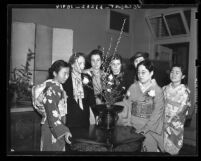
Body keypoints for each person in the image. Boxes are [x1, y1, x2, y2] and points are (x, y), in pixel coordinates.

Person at [118, 60, 165, 152]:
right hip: (133, 126)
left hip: (149, 128)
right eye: (138, 72)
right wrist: (127, 123)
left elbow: (157, 114)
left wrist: (145, 129)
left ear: (151, 73)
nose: (140, 75)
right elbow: (126, 105)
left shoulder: (158, 91)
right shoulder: (133, 87)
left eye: (143, 72)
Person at [32, 60, 72, 151]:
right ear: (54, 73)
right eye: (64, 73)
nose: (67, 76)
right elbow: (52, 112)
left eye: (68, 73)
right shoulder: (51, 89)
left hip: (55, 123)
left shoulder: (55, 85)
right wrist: (64, 131)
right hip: (52, 126)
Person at [163, 64, 191, 155]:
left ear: (183, 76)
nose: (173, 74)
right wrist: (163, 121)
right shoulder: (164, 88)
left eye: (177, 72)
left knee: (172, 149)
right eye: (172, 72)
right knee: (160, 148)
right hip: (162, 122)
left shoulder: (185, 91)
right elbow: (159, 106)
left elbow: (182, 111)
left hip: (175, 125)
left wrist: (169, 123)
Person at [62, 52, 96, 128]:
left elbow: (92, 99)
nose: (83, 66)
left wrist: (96, 114)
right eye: (80, 63)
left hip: (84, 118)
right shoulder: (65, 79)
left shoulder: (87, 78)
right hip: (69, 119)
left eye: (84, 63)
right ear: (72, 64)